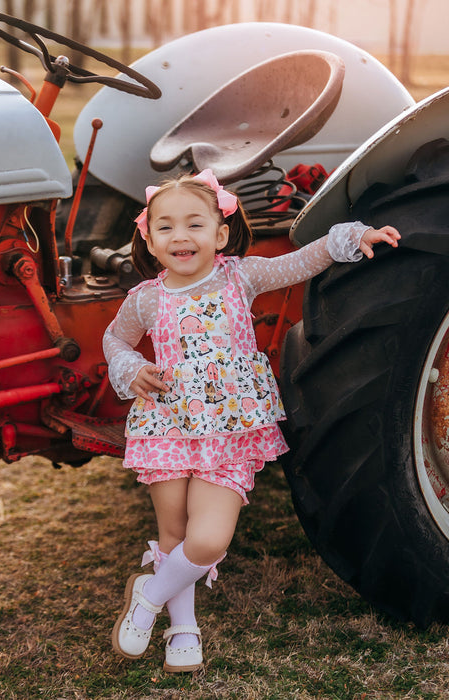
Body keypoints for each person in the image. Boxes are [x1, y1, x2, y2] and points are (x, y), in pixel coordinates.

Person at [102, 169, 400, 673]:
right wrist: (132, 370)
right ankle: (183, 627)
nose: (181, 237)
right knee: (174, 532)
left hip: (232, 431)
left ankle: (148, 596)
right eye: (166, 227)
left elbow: (304, 260)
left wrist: (353, 236)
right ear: (149, 240)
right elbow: (114, 340)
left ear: (220, 235)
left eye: (195, 224)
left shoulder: (241, 277)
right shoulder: (146, 300)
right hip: (167, 427)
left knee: (209, 539)